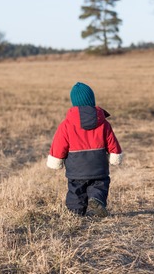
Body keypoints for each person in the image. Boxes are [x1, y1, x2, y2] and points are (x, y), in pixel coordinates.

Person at [46, 82, 123, 217]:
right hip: (98, 166)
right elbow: (112, 141)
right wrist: (115, 154)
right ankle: (97, 199)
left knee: (76, 190)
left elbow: (59, 143)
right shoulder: (103, 123)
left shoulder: (66, 124)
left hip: (76, 168)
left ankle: (76, 212)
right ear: (92, 100)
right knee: (99, 185)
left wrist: (57, 159)